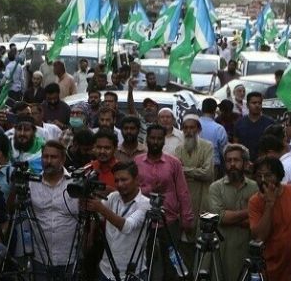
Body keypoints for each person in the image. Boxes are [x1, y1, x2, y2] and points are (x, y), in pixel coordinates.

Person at [134, 124, 194, 281]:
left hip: (169, 219)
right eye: (152, 138)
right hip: (143, 219)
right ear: (147, 139)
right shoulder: (137, 161)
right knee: (145, 258)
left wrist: (187, 218)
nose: (155, 141)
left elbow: (183, 191)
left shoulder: (173, 163)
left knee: (172, 260)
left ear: (164, 141)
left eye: (159, 138)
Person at [86, 161, 151, 281]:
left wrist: (101, 208)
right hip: (105, 269)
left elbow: (127, 226)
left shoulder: (146, 204)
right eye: (116, 181)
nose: (120, 184)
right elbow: (98, 216)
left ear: (136, 180)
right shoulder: (113, 197)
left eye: (124, 179)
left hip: (131, 273)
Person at [249, 157, 291, 281]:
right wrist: (269, 204)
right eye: (259, 176)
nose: (263, 180)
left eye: (268, 175)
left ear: (279, 176)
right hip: (270, 270)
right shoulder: (254, 202)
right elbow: (259, 237)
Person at [28, 140, 79, 279]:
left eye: (53, 157)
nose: (48, 161)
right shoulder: (31, 183)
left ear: (62, 159)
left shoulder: (76, 183)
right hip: (40, 258)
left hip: (69, 258)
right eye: (45, 157)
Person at [207, 144, 258, 281]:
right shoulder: (216, 188)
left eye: (236, 160)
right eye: (229, 161)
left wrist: (233, 216)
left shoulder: (254, 187)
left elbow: (256, 220)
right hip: (222, 249)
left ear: (245, 163)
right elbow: (221, 217)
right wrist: (249, 211)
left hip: (245, 249)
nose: (232, 164)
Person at [172, 114, 214, 263]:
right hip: (184, 198)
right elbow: (176, 175)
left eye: (192, 127)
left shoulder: (207, 146)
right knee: (183, 243)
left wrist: (184, 170)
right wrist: (196, 170)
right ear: (182, 130)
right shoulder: (178, 149)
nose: (189, 131)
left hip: (203, 197)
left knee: (203, 240)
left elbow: (208, 173)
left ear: (198, 129)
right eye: (186, 128)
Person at [233, 92, 275, 161]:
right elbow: (236, 145)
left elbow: (274, 146)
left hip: (264, 163)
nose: (257, 105)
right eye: (254, 103)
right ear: (247, 105)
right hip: (244, 163)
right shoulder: (239, 123)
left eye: (259, 103)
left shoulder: (270, 123)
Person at [199, 98, 228, 179]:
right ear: (215, 110)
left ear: (202, 109)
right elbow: (224, 150)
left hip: (194, 166)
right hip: (213, 166)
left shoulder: (193, 125)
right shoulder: (219, 128)